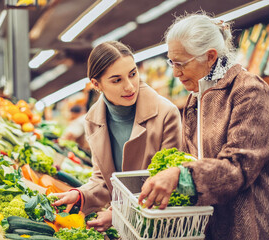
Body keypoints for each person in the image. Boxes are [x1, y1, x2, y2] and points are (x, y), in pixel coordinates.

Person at [138, 13, 269, 240]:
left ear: (210, 56)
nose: (175, 72)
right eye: (171, 62)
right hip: (209, 227)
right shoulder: (196, 99)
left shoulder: (249, 91)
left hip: (249, 228)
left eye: (181, 63)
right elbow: (193, 159)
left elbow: (238, 168)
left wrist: (181, 176)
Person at [54, 41, 182, 231]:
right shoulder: (93, 120)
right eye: (117, 80)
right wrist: (81, 195)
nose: (130, 86)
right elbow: (103, 180)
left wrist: (119, 213)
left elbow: (167, 182)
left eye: (132, 74)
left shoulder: (166, 113)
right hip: (127, 229)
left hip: (161, 225)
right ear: (96, 84)